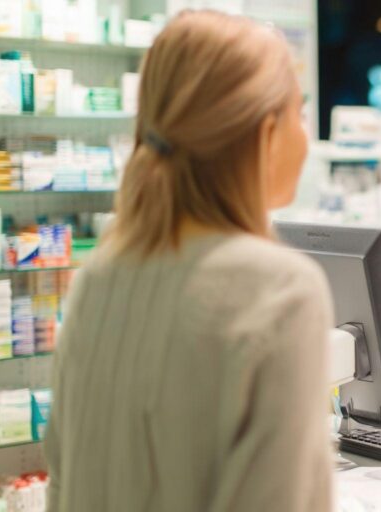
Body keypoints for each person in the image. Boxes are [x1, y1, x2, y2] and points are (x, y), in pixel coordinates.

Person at [44, 11, 332, 511]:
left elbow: (62, 483)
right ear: (265, 135)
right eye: (299, 114)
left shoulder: (100, 276)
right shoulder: (280, 290)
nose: (304, 137)